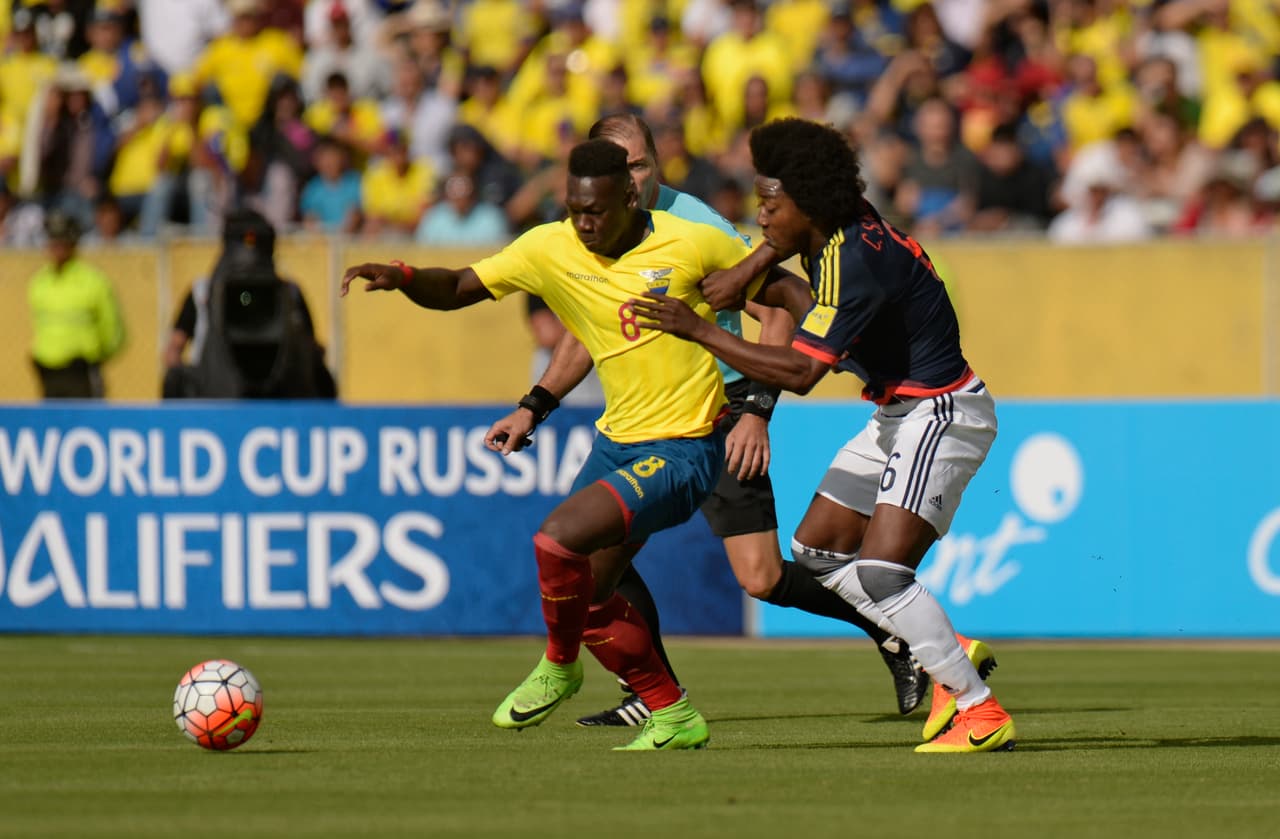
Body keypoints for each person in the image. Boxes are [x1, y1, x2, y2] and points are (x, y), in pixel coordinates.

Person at [341, 139, 773, 751]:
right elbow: (462, 284)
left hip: (686, 447)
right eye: (573, 207)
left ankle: (560, 666)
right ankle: (667, 711)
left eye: (594, 209)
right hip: (615, 440)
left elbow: (783, 296)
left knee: (555, 538)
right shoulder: (552, 244)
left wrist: (765, 397)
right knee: (587, 594)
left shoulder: (690, 240)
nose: (583, 221)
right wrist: (405, 276)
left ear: (629, 196)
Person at [517, 113, 927, 729]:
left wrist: (757, 412)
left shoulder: (696, 225)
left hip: (719, 412)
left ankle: (898, 634)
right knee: (599, 554)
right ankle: (653, 697)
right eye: (617, 168)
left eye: (639, 164)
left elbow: (781, 310)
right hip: (641, 421)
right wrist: (535, 404)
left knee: (760, 578)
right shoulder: (594, 231)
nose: (630, 178)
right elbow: (586, 335)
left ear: (655, 163)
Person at [633, 117, 1014, 754]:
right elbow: (784, 240)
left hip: (942, 411)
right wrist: (750, 264)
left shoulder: (854, 260)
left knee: (885, 571)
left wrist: (699, 328)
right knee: (818, 554)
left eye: (769, 203)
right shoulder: (841, 220)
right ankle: (944, 649)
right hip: (899, 413)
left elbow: (804, 372)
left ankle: (977, 708)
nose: (761, 215)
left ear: (803, 204)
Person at [163, 209, 335, 399]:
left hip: (281, 391)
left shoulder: (289, 293)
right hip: (216, 395)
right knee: (173, 379)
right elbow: (173, 351)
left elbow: (172, 351)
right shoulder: (202, 292)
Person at [27, 211, 125, 399]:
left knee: (87, 423)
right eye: (52, 242)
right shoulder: (39, 282)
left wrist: (96, 356)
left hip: (81, 371)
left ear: (73, 243)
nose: (56, 248)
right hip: (47, 372)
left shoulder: (93, 280)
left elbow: (113, 330)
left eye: (61, 242)